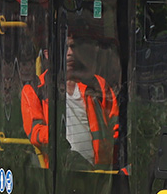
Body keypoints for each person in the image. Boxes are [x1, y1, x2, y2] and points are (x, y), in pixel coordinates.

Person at [21, 35, 120, 172]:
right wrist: (56, 136)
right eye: (65, 47)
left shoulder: (97, 85)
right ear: (48, 54)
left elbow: (115, 127)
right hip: (60, 176)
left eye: (73, 47)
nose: (70, 53)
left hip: (98, 176)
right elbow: (35, 132)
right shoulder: (34, 90)